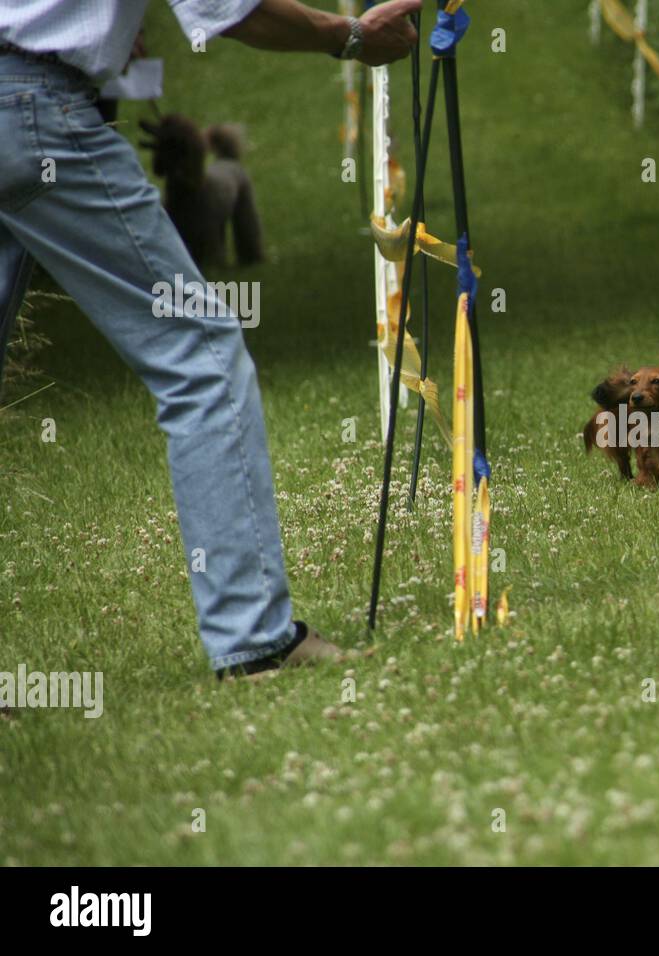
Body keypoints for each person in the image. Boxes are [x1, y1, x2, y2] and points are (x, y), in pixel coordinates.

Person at [0, 0, 421, 678]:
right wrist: (349, 36)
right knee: (199, 353)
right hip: (36, 112)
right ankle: (253, 638)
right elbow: (229, 7)